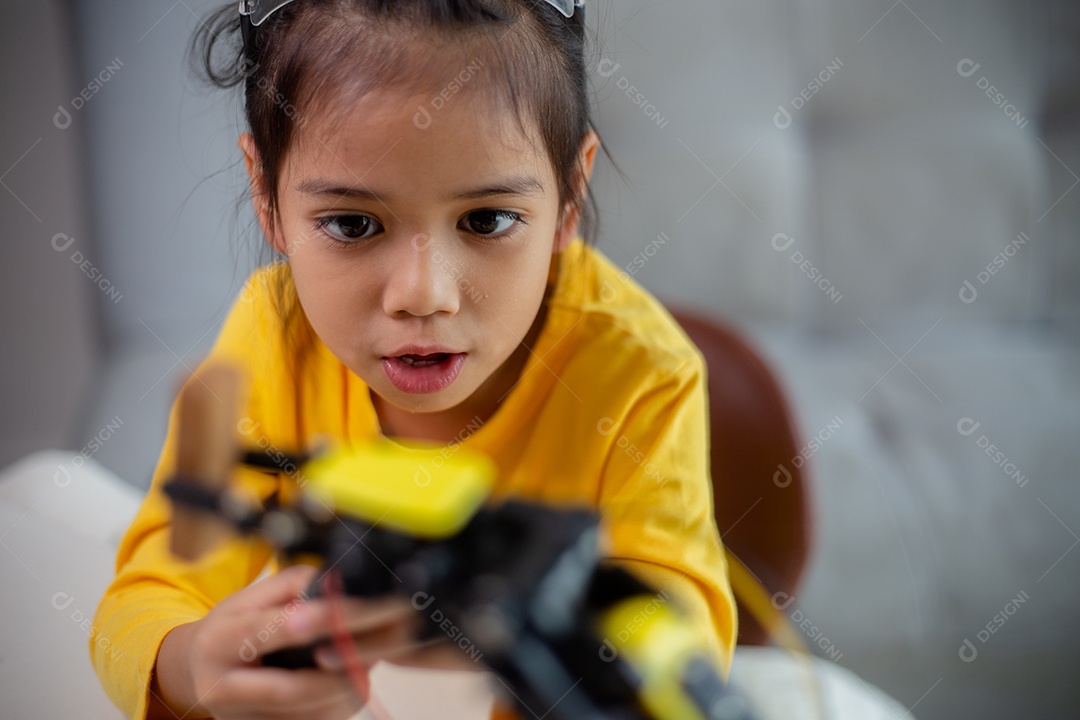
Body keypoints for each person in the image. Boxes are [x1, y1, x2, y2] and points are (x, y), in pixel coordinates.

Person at [91, 1, 737, 718]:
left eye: (486, 220)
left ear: (569, 196)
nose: (423, 295)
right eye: (352, 224)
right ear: (266, 196)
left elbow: (675, 635)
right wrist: (196, 662)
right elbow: (150, 596)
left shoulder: (641, 371)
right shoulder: (272, 338)